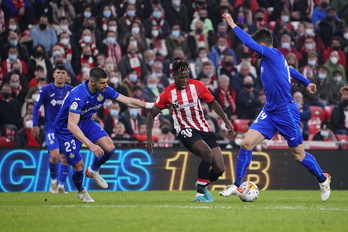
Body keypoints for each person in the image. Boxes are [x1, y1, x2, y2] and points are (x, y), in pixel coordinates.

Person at [219, 13, 331, 202]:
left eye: (257, 47)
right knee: (246, 143)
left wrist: (232, 24)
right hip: (270, 110)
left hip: (286, 111)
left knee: (298, 155)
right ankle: (237, 185)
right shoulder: (270, 60)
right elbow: (290, 71)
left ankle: (323, 179)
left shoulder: (272, 53)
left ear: (263, 45)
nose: (254, 52)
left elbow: (249, 43)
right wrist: (305, 83)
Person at [54, 67, 154, 202]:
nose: (106, 85)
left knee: (109, 148)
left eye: (106, 82)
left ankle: (93, 171)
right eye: (103, 83)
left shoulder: (105, 90)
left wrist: (153, 105)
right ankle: (81, 190)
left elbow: (128, 101)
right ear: (92, 82)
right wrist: (90, 145)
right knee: (78, 166)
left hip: (85, 122)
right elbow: (72, 125)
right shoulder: (78, 96)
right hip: (66, 129)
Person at [146, 58, 234, 202]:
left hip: (203, 128)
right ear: (173, 76)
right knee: (207, 154)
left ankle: (202, 183)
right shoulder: (167, 93)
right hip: (185, 129)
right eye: (181, 77)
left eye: (186, 76)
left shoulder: (198, 86)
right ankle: (199, 195)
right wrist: (149, 138)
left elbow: (213, 103)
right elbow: (151, 115)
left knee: (219, 169)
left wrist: (227, 122)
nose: (185, 80)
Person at [31, 65, 73, 194]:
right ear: (54, 75)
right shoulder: (45, 90)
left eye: (63, 73)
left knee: (65, 158)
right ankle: (53, 183)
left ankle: (61, 186)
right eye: (58, 72)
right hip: (51, 129)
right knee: (54, 156)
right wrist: (35, 124)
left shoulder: (71, 91)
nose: (60, 75)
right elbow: (36, 107)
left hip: (66, 129)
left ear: (66, 75)